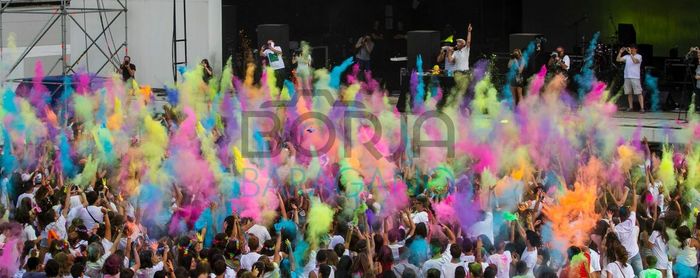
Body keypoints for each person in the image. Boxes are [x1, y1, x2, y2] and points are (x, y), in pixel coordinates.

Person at [616, 44, 644, 113]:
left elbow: (635, 61)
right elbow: (618, 60)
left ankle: (642, 108)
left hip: (635, 77)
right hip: (627, 77)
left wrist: (631, 54)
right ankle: (631, 107)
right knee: (629, 93)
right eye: (630, 48)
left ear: (636, 49)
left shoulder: (639, 56)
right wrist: (620, 52)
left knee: (639, 93)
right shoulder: (627, 56)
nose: (631, 49)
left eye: (632, 48)